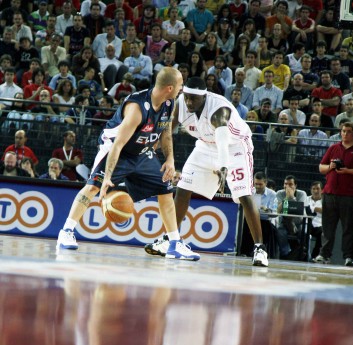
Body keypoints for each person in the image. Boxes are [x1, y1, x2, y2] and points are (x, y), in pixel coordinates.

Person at [56, 68, 200, 261]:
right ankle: (66, 231)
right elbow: (117, 145)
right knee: (92, 187)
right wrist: (107, 177)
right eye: (180, 85)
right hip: (117, 150)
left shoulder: (170, 102)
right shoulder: (136, 108)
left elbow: (165, 133)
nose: (182, 88)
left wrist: (170, 160)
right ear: (169, 87)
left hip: (142, 152)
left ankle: (174, 243)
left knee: (166, 190)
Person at [144, 77, 268, 267]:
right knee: (183, 188)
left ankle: (260, 249)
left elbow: (223, 143)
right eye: (187, 97)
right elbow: (168, 131)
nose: (189, 102)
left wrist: (223, 167)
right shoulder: (181, 104)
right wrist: (149, 148)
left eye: (193, 99)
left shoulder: (219, 110)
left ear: (204, 97)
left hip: (234, 148)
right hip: (204, 146)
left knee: (244, 195)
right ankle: (171, 240)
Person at [314, 122, 353, 266]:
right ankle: (324, 254)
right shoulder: (333, 148)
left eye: (348, 131)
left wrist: (347, 171)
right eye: (343, 131)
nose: (345, 134)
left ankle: (349, 256)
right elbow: (321, 167)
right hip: (330, 193)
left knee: (348, 228)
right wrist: (331, 166)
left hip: (348, 195)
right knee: (327, 227)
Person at [240, 171, 278, 258]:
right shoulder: (250, 193)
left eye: (260, 184)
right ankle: (244, 252)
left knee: (265, 227)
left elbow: (275, 213)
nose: (257, 187)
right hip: (250, 219)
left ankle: (260, 250)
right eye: (256, 184)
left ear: (265, 183)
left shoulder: (272, 194)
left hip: (264, 220)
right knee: (245, 225)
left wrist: (267, 209)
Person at [276, 175, 308, 260]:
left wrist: (292, 197)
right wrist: (287, 197)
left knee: (304, 231)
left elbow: (299, 210)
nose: (288, 186)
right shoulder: (279, 193)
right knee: (280, 231)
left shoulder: (302, 194)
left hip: (299, 222)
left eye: (290, 184)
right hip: (284, 222)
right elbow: (278, 211)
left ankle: (304, 254)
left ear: (295, 185)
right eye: (285, 184)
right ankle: (285, 254)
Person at [307, 180, 322, 260]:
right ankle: (304, 254)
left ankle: (314, 256)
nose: (315, 191)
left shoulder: (325, 200)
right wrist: (317, 209)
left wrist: (313, 208)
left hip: (319, 224)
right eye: (313, 189)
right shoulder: (306, 199)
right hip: (307, 223)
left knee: (322, 234)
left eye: (318, 189)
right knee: (303, 232)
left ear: (321, 190)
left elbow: (326, 211)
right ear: (311, 190)